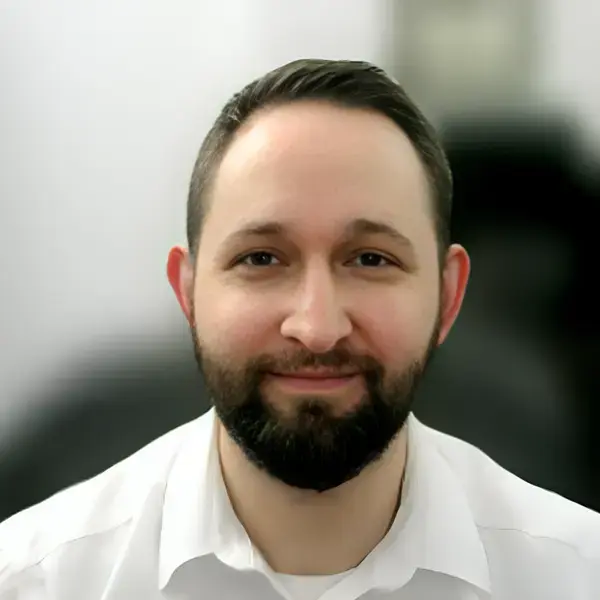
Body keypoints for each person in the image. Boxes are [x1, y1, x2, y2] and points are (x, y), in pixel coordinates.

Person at [0, 59, 598, 600]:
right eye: (261, 258)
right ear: (188, 292)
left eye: (371, 259)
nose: (316, 328)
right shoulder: (34, 581)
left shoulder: (576, 577)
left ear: (448, 296)